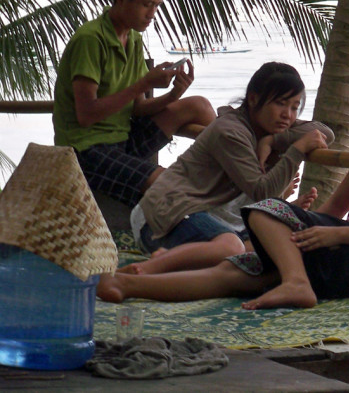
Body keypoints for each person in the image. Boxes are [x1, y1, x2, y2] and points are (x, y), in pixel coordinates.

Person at [98, 59, 349, 310]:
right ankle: (128, 284)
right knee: (252, 244)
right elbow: (336, 209)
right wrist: (299, 227)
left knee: (252, 266)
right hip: (344, 242)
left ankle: (295, 283)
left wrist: (335, 235)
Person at [120, 62, 331, 275]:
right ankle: (151, 266)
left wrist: (273, 140)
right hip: (167, 213)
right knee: (232, 248)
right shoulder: (230, 131)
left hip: (210, 215)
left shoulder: (269, 127)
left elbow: (325, 133)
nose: (288, 115)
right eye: (280, 104)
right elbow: (263, 192)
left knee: (273, 247)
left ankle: (174, 258)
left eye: (295, 107)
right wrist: (296, 149)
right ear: (254, 99)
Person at [52, 0, 215, 206]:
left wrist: (174, 94)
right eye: (146, 4)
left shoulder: (133, 38)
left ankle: (239, 172)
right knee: (168, 182)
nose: (152, 14)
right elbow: (85, 115)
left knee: (199, 106)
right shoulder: (91, 40)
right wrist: (144, 83)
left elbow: (137, 107)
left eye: (157, 6)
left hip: (123, 139)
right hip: (85, 150)